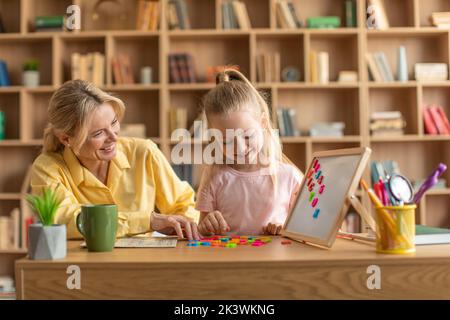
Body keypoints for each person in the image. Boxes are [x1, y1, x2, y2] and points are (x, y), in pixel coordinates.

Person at [30, 80, 200, 240]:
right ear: (66, 139)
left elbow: (184, 204)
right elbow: (66, 219)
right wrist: (147, 221)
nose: (113, 137)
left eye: (114, 123)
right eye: (98, 133)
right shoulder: (47, 168)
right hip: (84, 268)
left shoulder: (144, 152)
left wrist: (185, 225)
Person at [195, 69, 303, 236]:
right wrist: (206, 226)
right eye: (226, 140)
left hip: (276, 261)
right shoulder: (213, 176)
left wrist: (285, 227)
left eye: (247, 136)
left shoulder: (289, 176)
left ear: (263, 123)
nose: (240, 148)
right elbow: (202, 231)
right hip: (229, 261)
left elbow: (305, 230)